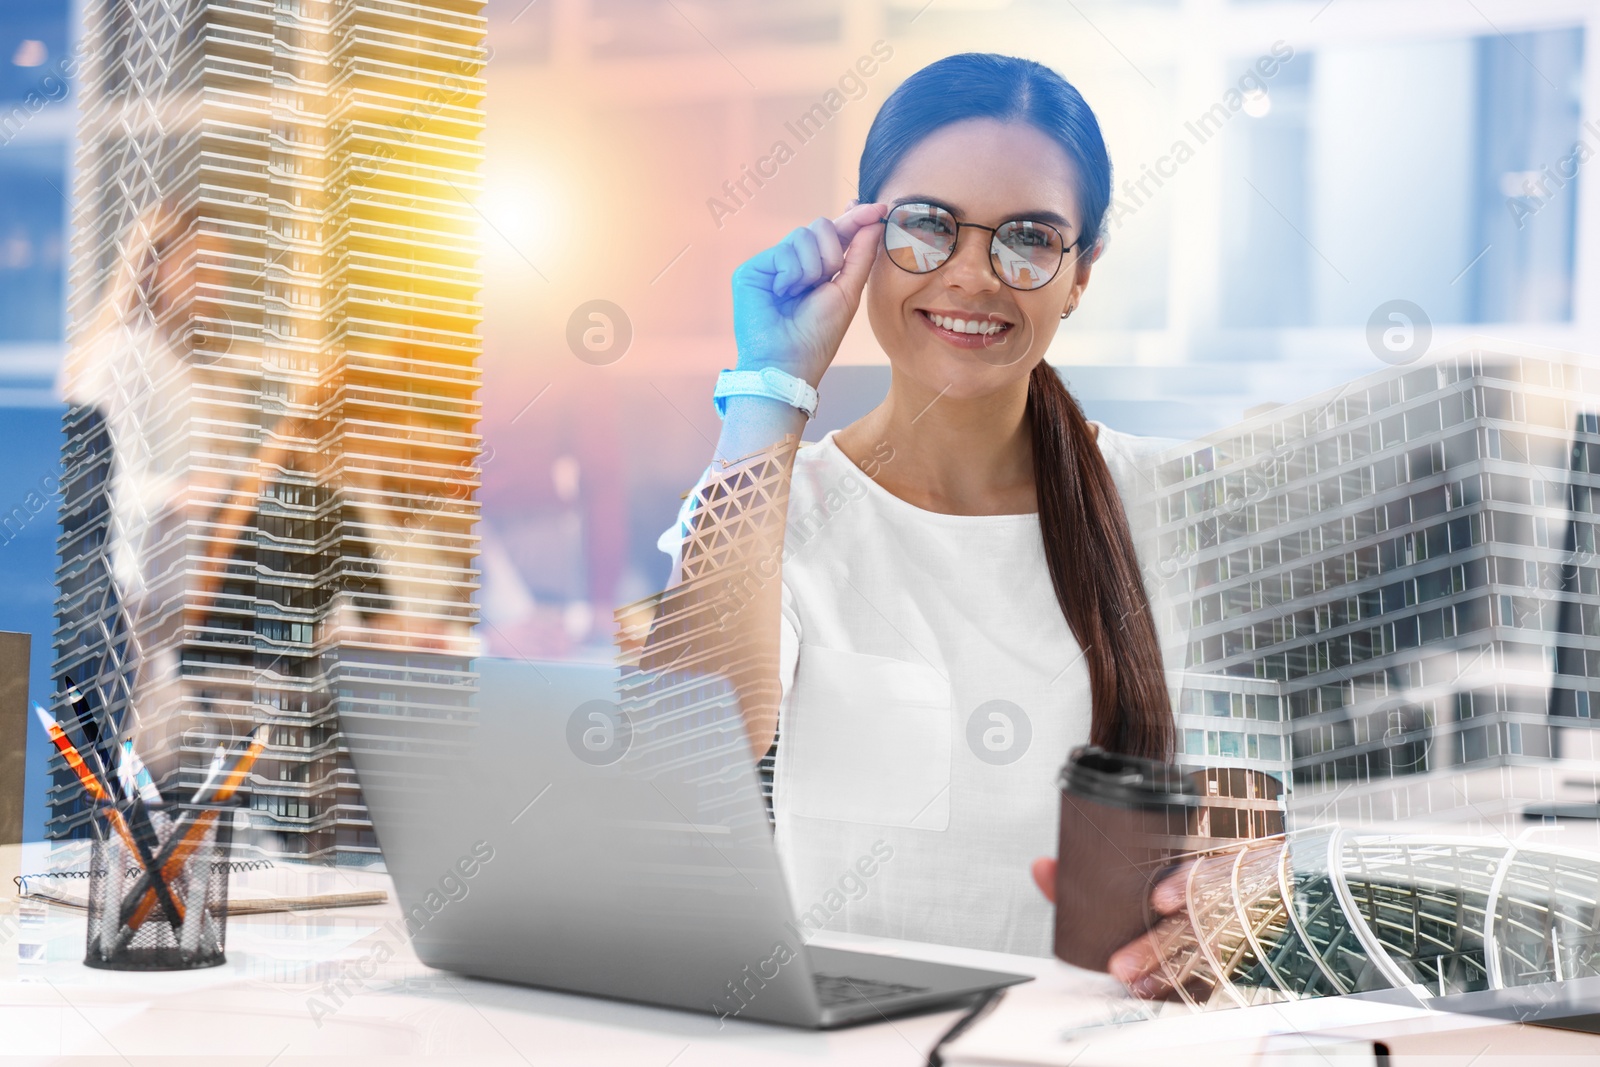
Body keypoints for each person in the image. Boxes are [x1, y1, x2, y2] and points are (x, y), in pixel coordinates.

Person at [648, 52, 1188, 979]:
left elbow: (1286, 805)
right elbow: (683, 756)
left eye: (1028, 238)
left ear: (1081, 274)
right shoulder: (771, 499)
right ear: (863, 240)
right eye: (928, 226)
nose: (972, 274)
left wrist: (1242, 894)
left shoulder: (1166, 501)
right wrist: (770, 388)